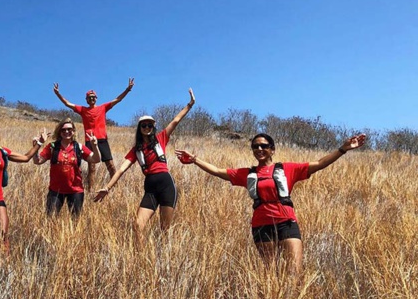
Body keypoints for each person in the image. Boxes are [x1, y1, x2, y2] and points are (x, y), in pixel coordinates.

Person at [175, 132, 367, 274]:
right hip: (261, 226)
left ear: (272, 149)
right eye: (255, 147)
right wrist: (195, 160)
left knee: (294, 273)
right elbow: (218, 171)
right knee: (271, 274)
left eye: (264, 146)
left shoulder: (287, 169)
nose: (259, 149)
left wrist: (343, 149)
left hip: (287, 223)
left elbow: (319, 164)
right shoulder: (247, 174)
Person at [94, 89, 196, 245]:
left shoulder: (161, 138)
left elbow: (175, 121)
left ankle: (163, 257)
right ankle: (140, 255)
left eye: (150, 125)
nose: (147, 127)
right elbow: (121, 170)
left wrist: (190, 105)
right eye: (144, 125)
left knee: (164, 230)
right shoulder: (136, 150)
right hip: (150, 189)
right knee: (137, 225)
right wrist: (107, 188)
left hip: (166, 185)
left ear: (153, 127)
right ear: (139, 128)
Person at [53, 78, 134, 190]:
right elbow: (67, 104)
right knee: (92, 167)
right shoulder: (83, 110)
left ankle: (116, 188)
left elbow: (117, 99)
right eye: (89, 97)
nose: (91, 99)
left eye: (93, 97)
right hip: (89, 140)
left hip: (102, 140)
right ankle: (91, 190)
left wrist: (128, 89)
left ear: (96, 98)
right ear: (86, 100)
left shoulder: (103, 107)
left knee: (110, 165)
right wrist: (58, 93)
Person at [33, 118, 101, 217]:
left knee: (75, 221)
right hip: (55, 190)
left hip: (76, 190)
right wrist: (37, 146)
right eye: (63, 130)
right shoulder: (52, 147)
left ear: (73, 131)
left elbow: (96, 159)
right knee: (51, 219)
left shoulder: (79, 147)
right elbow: (37, 161)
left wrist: (95, 145)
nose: (66, 132)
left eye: (69, 129)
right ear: (59, 131)